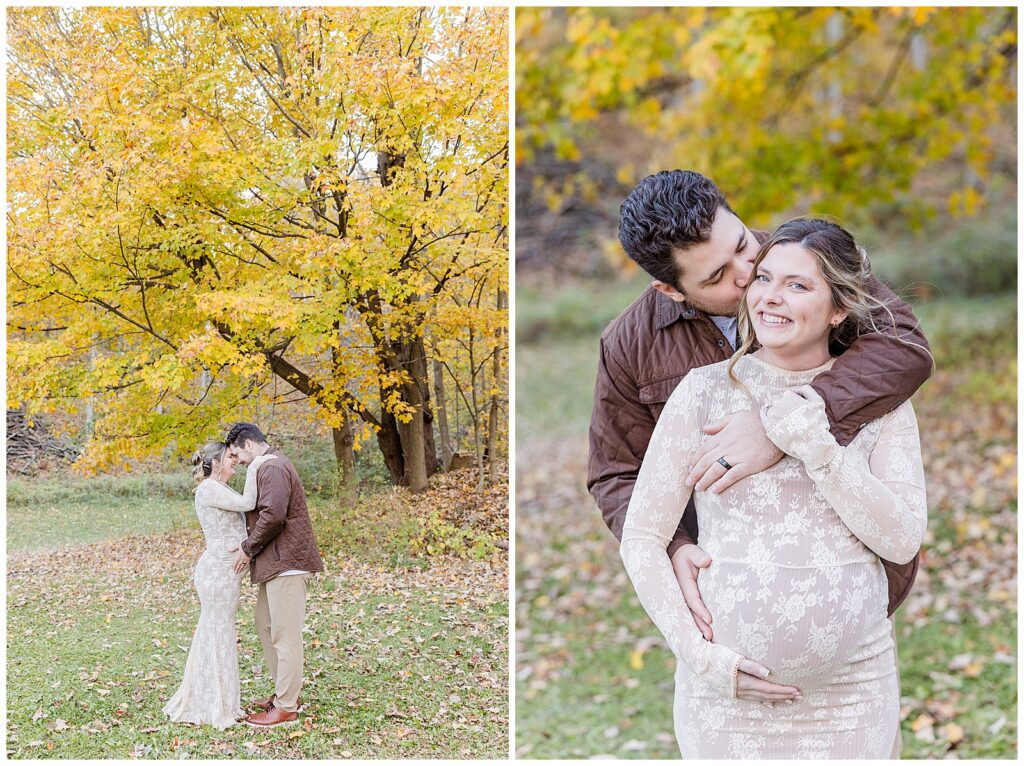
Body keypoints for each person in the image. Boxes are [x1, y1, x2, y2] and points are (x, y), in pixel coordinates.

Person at [589, 170, 933, 754]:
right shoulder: (634, 346)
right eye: (720, 276)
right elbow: (616, 471)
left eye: (744, 244)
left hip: (853, 659)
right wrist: (673, 548)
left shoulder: (807, 261)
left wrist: (787, 423)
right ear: (672, 290)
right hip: (728, 664)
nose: (751, 277)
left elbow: (904, 346)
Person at [163, 441, 277, 729]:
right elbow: (248, 504)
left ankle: (216, 699)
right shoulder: (209, 488)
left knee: (217, 633)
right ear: (214, 463)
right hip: (216, 573)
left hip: (224, 573)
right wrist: (258, 464)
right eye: (230, 457)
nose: (235, 460)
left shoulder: (220, 488)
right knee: (218, 634)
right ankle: (214, 704)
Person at [225, 423, 324, 728]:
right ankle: (284, 692)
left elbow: (273, 515)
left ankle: (286, 707)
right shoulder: (268, 466)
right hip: (277, 564)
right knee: (265, 624)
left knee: (284, 634)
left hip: (288, 563)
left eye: (237, 453)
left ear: (250, 445)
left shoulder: (272, 468)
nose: (237, 461)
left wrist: (247, 548)